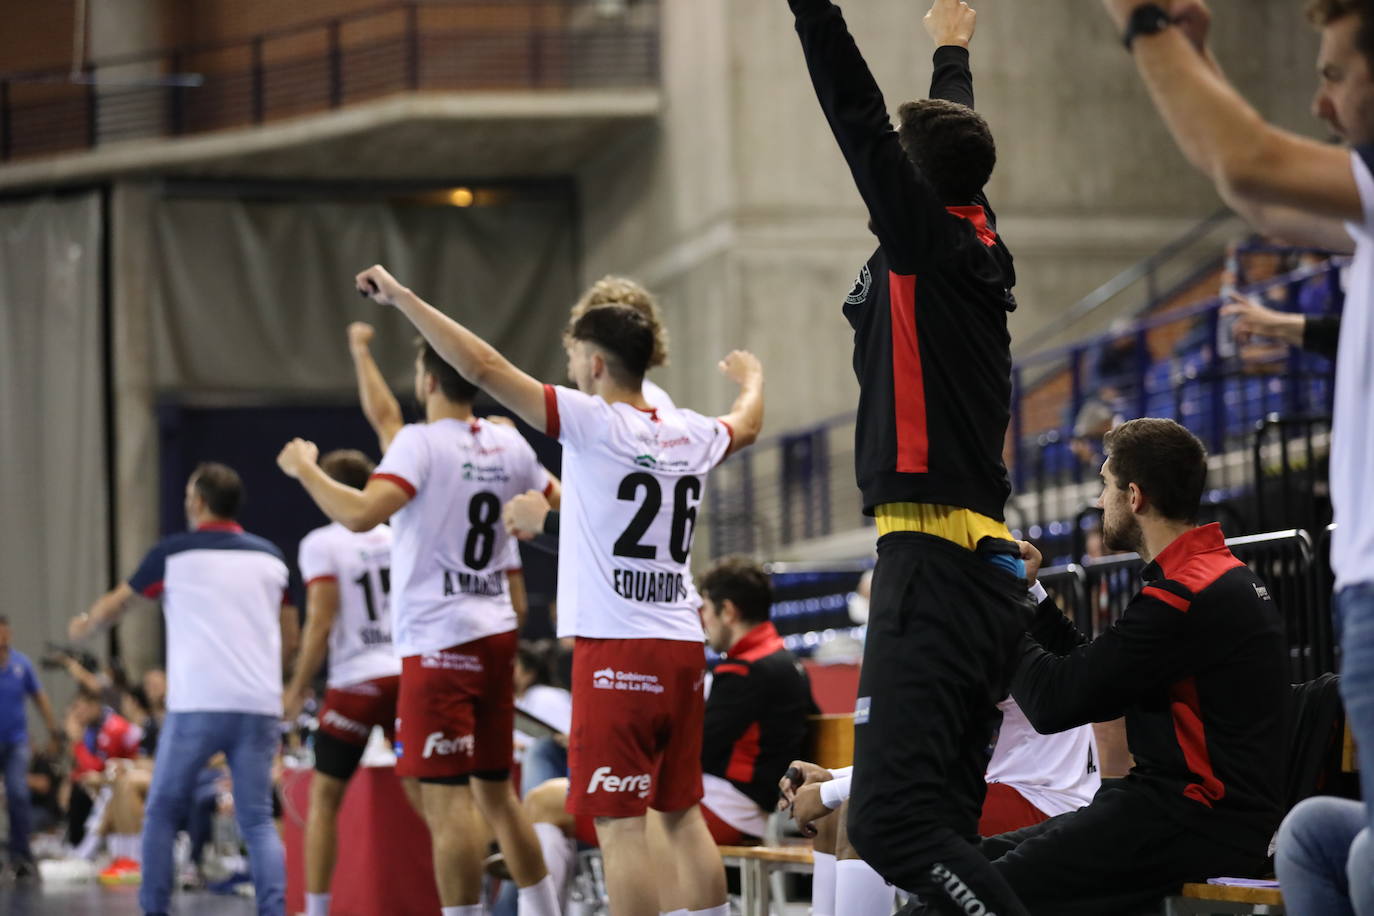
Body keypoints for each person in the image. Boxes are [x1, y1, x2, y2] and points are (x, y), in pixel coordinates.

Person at [353, 262, 763, 916]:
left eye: (573, 354)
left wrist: (402, 298)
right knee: (681, 814)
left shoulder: (589, 421)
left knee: (621, 826)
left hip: (617, 650)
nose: (568, 365)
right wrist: (754, 380)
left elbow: (484, 366)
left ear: (596, 364)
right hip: (683, 646)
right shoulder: (690, 429)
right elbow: (745, 423)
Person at [1100, 1, 1374, 908]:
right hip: (1359, 587)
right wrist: (1199, 59)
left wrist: (1145, 24)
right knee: (1322, 840)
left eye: (1335, 73)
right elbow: (1255, 191)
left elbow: (1251, 160)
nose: (1322, 101)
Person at [784, 0, 1032, 910]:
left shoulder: (924, 243)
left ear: (912, 185)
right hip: (976, 568)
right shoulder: (976, 231)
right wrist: (949, 53)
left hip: (929, 564)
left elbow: (853, 111)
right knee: (944, 825)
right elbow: (946, 143)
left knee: (890, 828)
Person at [277, 336, 563, 916]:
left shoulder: (419, 445)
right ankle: (544, 910)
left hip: (437, 647)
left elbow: (359, 514)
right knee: (498, 795)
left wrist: (305, 469)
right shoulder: (508, 442)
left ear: (429, 381)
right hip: (495, 636)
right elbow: (565, 503)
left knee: (446, 801)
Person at [980, 419, 1287, 915]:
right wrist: (1028, 595)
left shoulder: (1184, 596)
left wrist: (995, 610)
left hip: (1191, 819)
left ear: (1135, 496)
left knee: (970, 889)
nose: (1100, 501)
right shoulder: (1210, 576)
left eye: (1105, 485)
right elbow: (1096, 674)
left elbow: (1056, 702)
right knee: (966, 865)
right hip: (1179, 812)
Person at [69, 462, 295, 916]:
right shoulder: (271, 558)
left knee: (162, 813)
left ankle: (155, 910)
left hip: (198, 706)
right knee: (256, 820)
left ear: (198, 502)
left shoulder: (173, 554)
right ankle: (274, 910)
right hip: (258, 705)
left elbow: (117, 603)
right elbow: (290, 637)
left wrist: (85, 626)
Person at [282, 448, 401, 916]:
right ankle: (460, 904)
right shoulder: (396, 535)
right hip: (405, 675)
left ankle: (316, 911)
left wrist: (295, 688)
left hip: (356, 682)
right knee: (435, 799)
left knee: (325, 799)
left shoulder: (323, 541)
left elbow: (321, 620)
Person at [0, 615, 61, 879]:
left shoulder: (20, 665)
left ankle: (21, 855)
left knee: (18, 794)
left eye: (5, 634)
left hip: (15, 743)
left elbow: (40, 699)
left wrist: (53, 732)